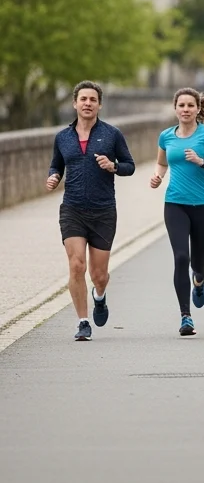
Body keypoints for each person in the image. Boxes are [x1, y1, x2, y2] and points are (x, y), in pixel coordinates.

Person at [46, 81, 136, 341]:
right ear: (75, 103)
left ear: (99, 104)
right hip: (72, 208)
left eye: (92, 100)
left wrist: (113, 166)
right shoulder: (63, 137)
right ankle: (82, 322)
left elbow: (129, 165)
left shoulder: (111, 134)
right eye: (83, 99)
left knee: (99, 275)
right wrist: (53, 177)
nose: (87, 103)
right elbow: (56, 166)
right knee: (76, 266)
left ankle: (100, 296)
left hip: (103, 210)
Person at [151, 89, 204, 336]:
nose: (185, 109)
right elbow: (162, 162)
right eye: (181, 105)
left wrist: (203, 163)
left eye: (190, 105)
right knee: (180, 257)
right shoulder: (166, 136)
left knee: (198, 262)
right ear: (175, 108)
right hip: (175, 204)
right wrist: (158, 176)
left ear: (197, 109)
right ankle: (186, 316)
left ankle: (199, 278)